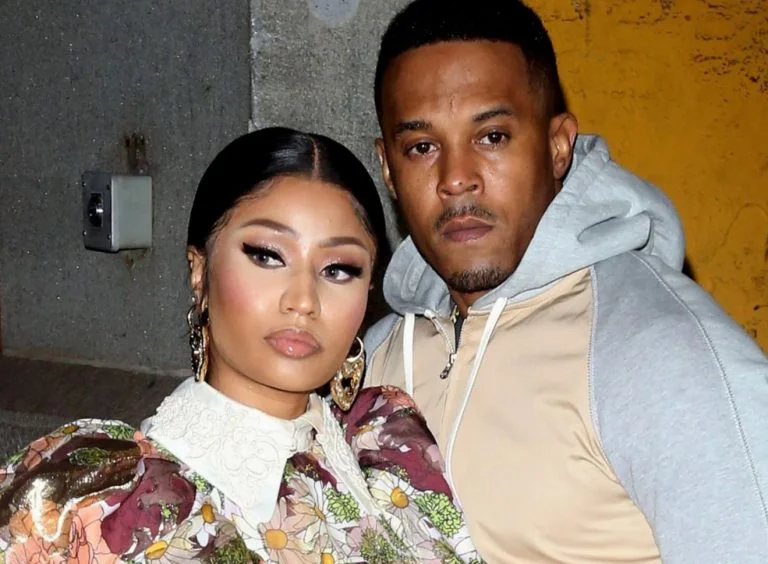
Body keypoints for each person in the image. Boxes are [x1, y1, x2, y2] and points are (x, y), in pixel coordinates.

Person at [364, 0, 768, 562]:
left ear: (558, 147)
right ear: (388, 167)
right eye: (422, 147)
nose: (456, 178)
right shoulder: (373, 355)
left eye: (492, 137)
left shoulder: (662, 355)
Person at [0, 128, 483, 563]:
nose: (303, 300)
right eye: (267, 256)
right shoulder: (92, 501)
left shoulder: (389, 445)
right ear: (199, 270)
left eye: (339, 269)